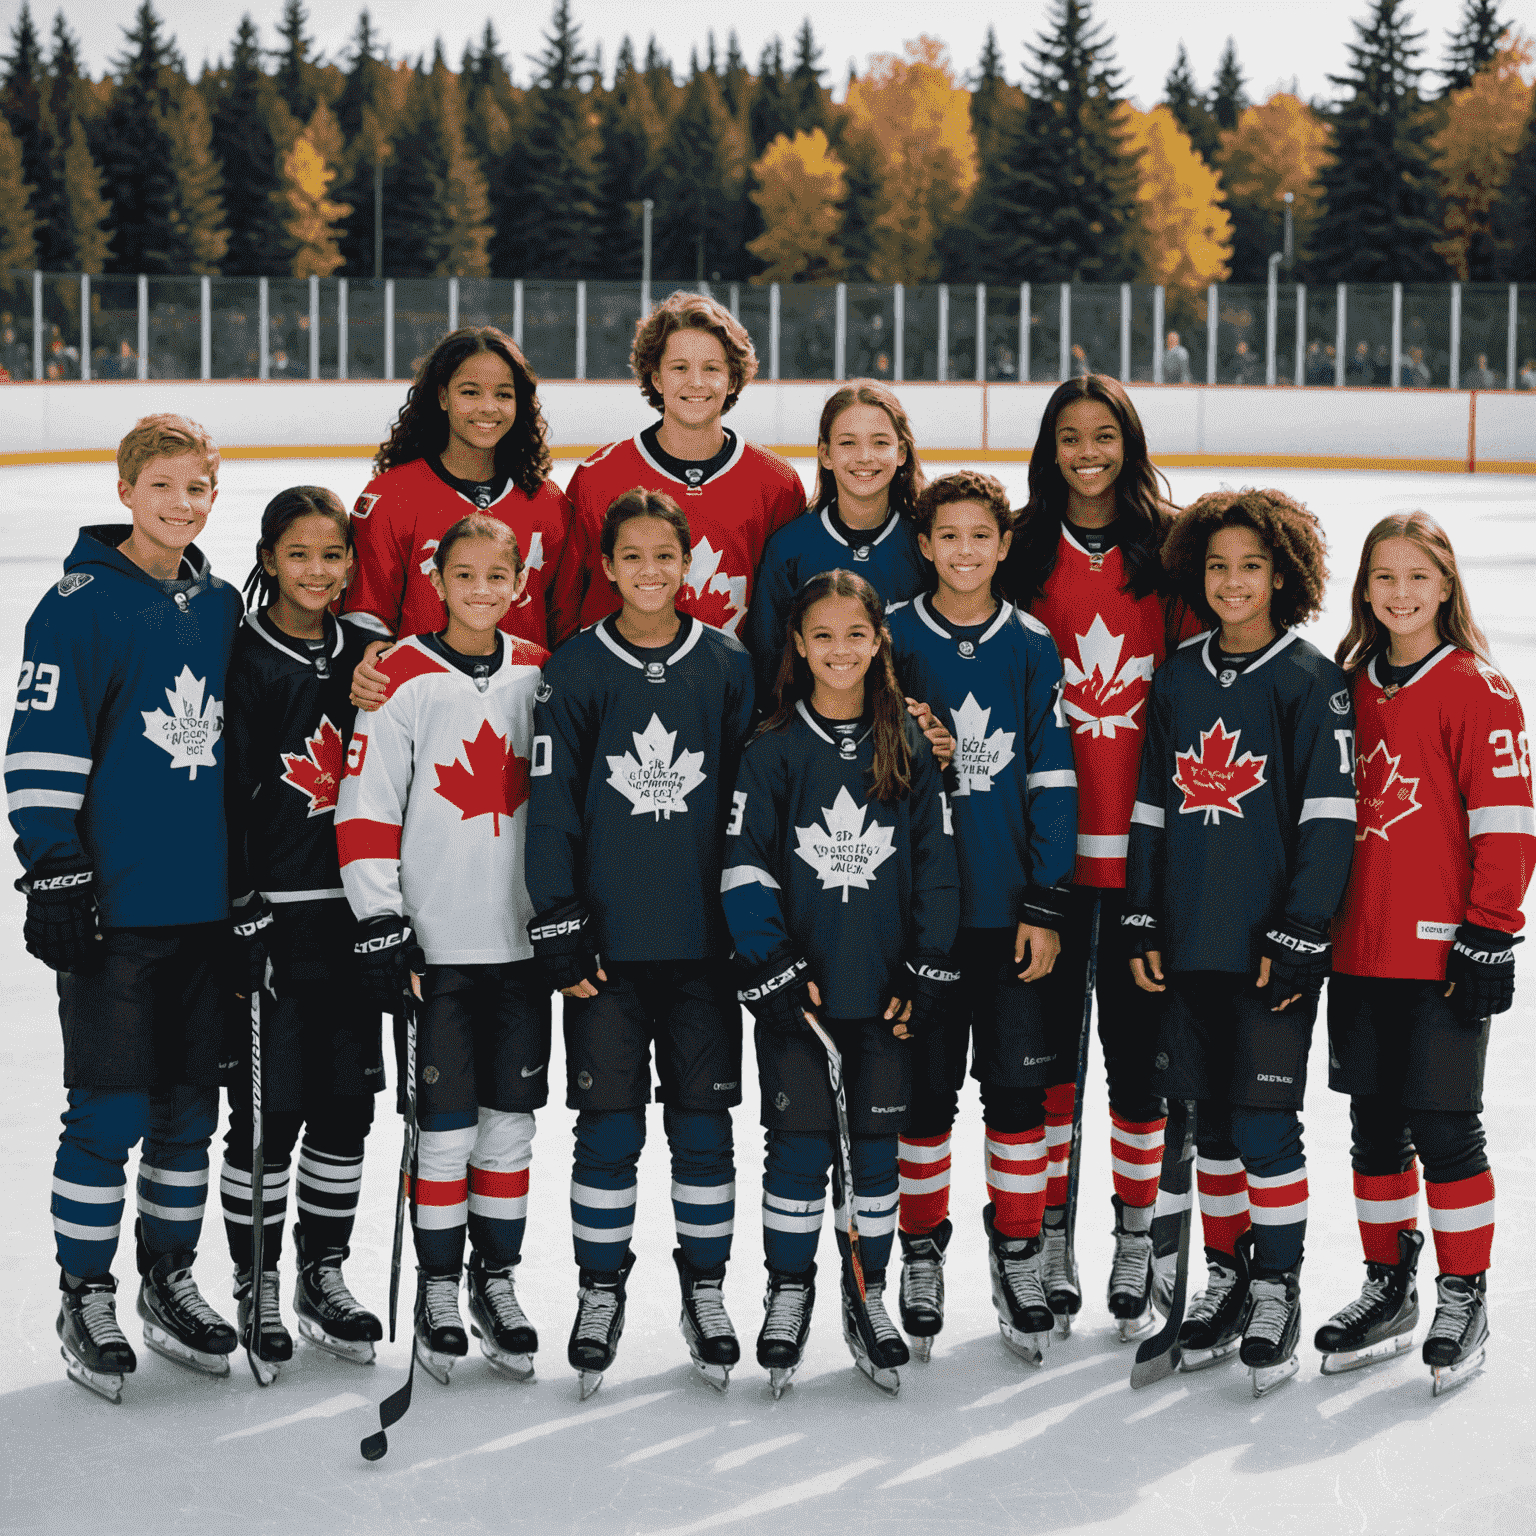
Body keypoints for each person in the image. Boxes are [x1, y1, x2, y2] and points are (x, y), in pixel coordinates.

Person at [6, 414, 244, 1401]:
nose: (182, 504)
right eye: (163, 486)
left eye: (198, 488)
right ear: (126, 491)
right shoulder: (75, 607)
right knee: (106, 1112)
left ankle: (167, 1278)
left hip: (207, 913)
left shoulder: (221, 603)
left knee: (190, 1112)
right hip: (117, 912)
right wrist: (53, 866)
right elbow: (38, 749)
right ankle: (83, 1289)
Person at [1126, 488, 1357, 1398]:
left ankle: (1277, 1284)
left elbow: (1331, 818)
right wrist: (1142, 910)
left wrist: (1304, 929)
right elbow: (1150, 805)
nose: (1232, 582)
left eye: (1252, 567)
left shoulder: (1310, 680)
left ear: (1284, 576)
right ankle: (1225, 1272)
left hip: (1270, 949)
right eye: (1217, 566)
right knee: (1210, 1129)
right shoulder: (1177, 677)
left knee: (1264, 1125)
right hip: (1188, 943)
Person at [526, 489, 755, 1398]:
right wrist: (560, 919)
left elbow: (752, 805)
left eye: (668, 555)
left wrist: (750, 923)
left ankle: (705, 1291)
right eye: (633, 557)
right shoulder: (578, 669)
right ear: (609, 567)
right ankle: (601, 1288)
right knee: (608, 1128)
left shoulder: (728, 664)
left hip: (703, 949)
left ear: (689, 561)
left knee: (704, 1127)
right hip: (609, 956)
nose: (651, 571)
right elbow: (552, 806)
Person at [722, 571, 960, 1397]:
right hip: (803, 999)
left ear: (878, 641)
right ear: (796, 644)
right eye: (821, 635)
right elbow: (744, 865)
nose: (839, 650)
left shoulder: (909, 747)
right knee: (795, 1152)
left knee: (876, 1154)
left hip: (885, 995)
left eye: (855, 635)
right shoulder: (773, 748)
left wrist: (929, 967)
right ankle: (790, 1290)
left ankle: (869, 1295)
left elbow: (936, 865)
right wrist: (771, 965)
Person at [1315, 512, 1532, 1394]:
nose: (1399, 593)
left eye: (1417, 576)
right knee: (1374, 1128)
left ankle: (1464, 1292)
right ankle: (1388, 1285)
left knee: (1444, 1127)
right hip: (1356, 950)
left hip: (1443, 952)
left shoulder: (1479, 688)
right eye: (1383, 577)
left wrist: (1488, 928)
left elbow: (1508, 824)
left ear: (1446, 586)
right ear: (1364, 590)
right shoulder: (1349, 684)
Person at [998, 374, 1195, 1340]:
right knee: (1047, 1070)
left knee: (1140, 1063)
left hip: (1149, 856)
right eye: (1070, 435)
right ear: (1050, 446)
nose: (1088, 451)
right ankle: (1045, 1239)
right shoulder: (1023, 549)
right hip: (1048, 860)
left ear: (1130, 440)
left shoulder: (1172, 549)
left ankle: (1134, 1232)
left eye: (1105, 434)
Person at [336, 514, 549, 1385]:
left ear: (518, 582)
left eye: (496, 576)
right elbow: (365, 805)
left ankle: (495, 1280)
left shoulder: (543, 671)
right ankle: (435, 1283)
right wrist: (382, 919)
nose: (481, 591)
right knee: (446, 1127)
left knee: (510, 1124)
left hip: (525, 947)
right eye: (464, 575)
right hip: (437, 949)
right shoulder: (400, 676)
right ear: (437, 577)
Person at [887, 472, 1077, 1365]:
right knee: (923, 1098)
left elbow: (1052, 779)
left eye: (981, 536)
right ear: (923, 545)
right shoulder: (888, 636)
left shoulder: (1033, 645)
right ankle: (920, 1252)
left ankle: (1020, 1251)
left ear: (1004, 546)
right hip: (923, 921)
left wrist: (1045, 902)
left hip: (1010, 917)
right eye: (947, 536)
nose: (964, 551)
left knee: (1016, 1095)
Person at [219, 487, 385, 1370]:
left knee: (346, 1109)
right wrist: (240, 902)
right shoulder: (244, 655)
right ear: (269, 558)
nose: (316, 571)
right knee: (266, 1112)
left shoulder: (369, 650)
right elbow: (222, 791)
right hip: (274, 922)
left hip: (356, 916)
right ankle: (258, 1279)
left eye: (332, 556)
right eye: (298, 555)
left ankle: (325, 1268)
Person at [551, 290, 806, 645]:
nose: (696, 382)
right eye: (680, 367)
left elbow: (786, 608)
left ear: (733, 380)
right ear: (656, 378)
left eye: (712, 369)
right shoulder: (598, 478)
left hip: (732, 691)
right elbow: (566, 604)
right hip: (620, 690)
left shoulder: (776, 483)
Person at [344, 326, 569, 712]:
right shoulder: (391, 496)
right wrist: (367, 656)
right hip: (421, 707)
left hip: (525, 708)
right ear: (443, 397)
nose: (488, 407)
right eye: (470, 392)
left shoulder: (547, 502)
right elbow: (367, 610)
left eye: (503, 394)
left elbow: (565, 617)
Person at [744, 381, 928, 702]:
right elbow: (767, 659)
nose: (864, 456)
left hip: (905, 734)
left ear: (901, 453)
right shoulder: (790, 549)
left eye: (880, 442)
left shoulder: (926, 546)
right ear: (826, 454)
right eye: (848, 443)